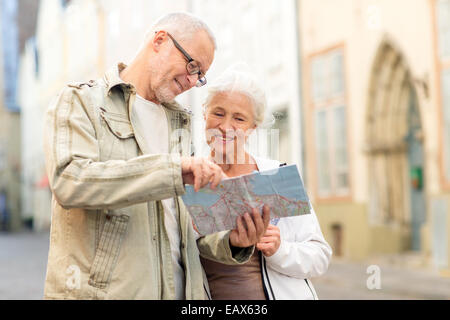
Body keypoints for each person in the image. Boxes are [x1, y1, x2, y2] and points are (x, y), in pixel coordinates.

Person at [43, 13, 270, 300]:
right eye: (192, 65)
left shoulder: (180, 123)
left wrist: (233, 242)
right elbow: (70, 181)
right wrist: (172, 171)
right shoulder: (80, 102)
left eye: (199, 75)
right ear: (160, 40)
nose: (191, 81)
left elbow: (191, 230)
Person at [199, 68, 333, 300]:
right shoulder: (190, 182)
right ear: (205, 115)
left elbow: (320, 257)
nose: (225, 126)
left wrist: (280, 250)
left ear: (253, 128)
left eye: (239, 118)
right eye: (218, 113)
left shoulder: (276, 178)